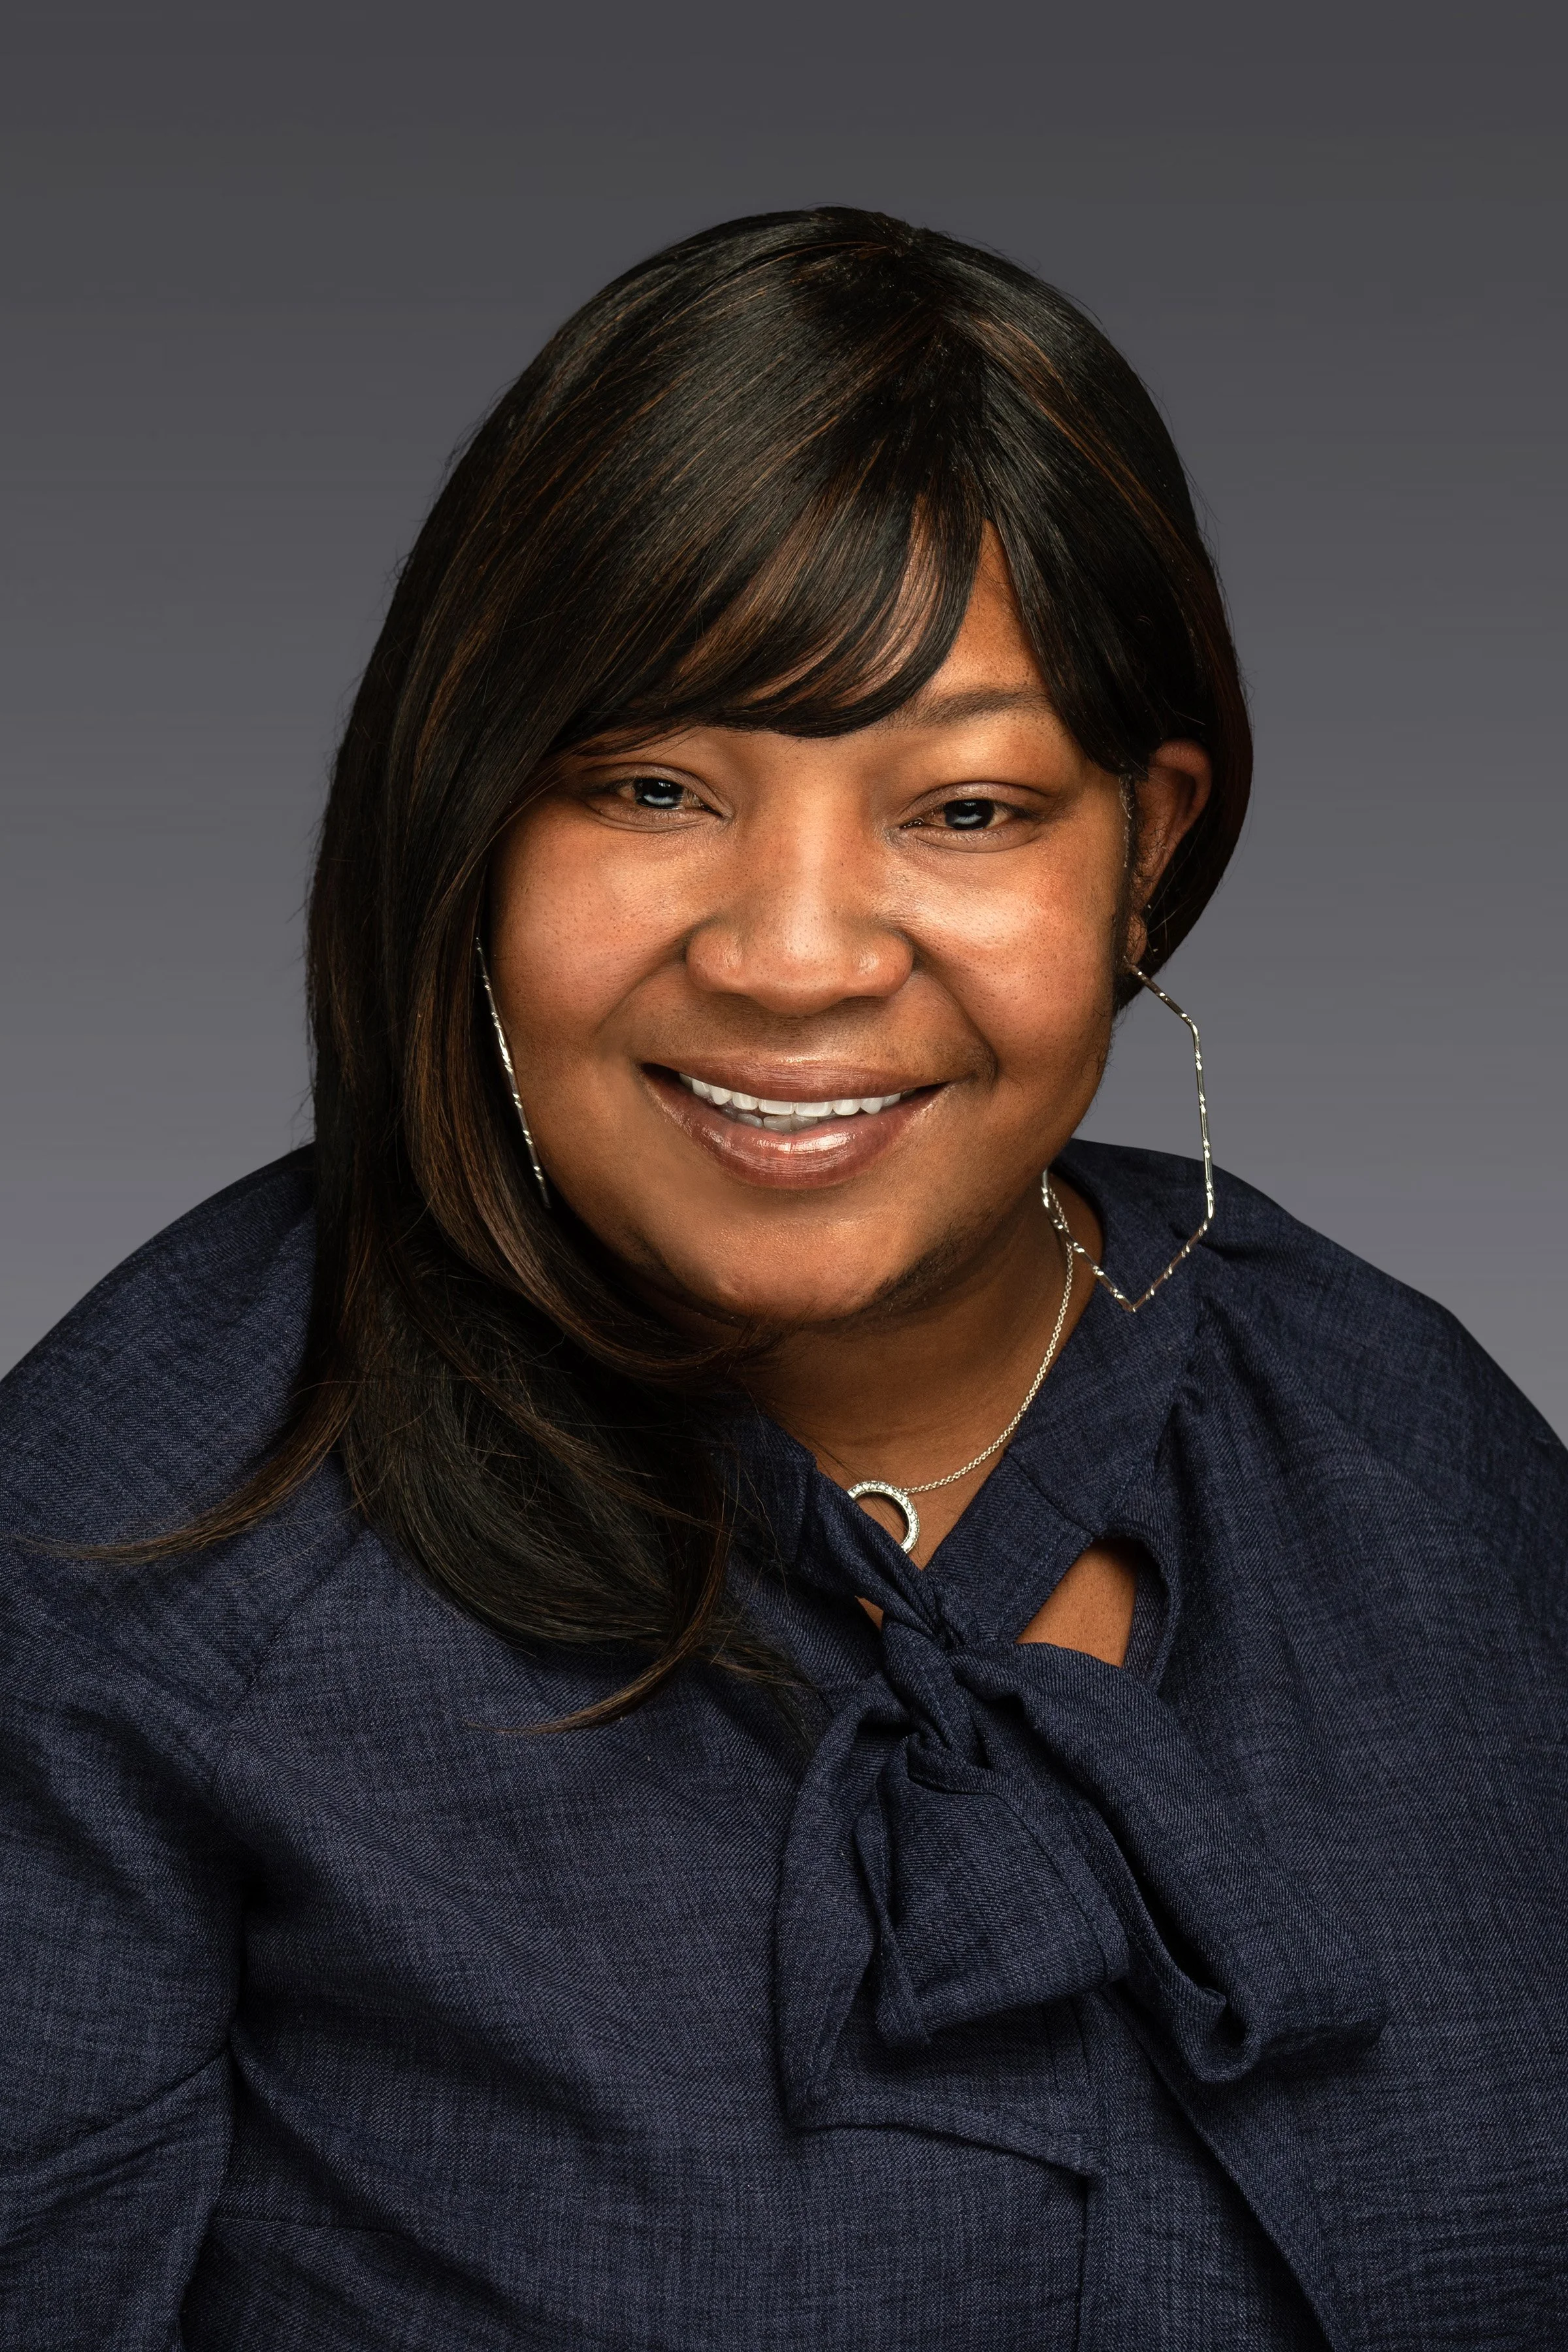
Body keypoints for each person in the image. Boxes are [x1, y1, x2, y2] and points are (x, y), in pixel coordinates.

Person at [1, 207, 1564, 2352]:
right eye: (655, 788)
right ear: (468, 823)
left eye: (969, 810)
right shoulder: (139, 1543)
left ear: (1147, 848)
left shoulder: (1414, 1444)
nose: (796, 955)